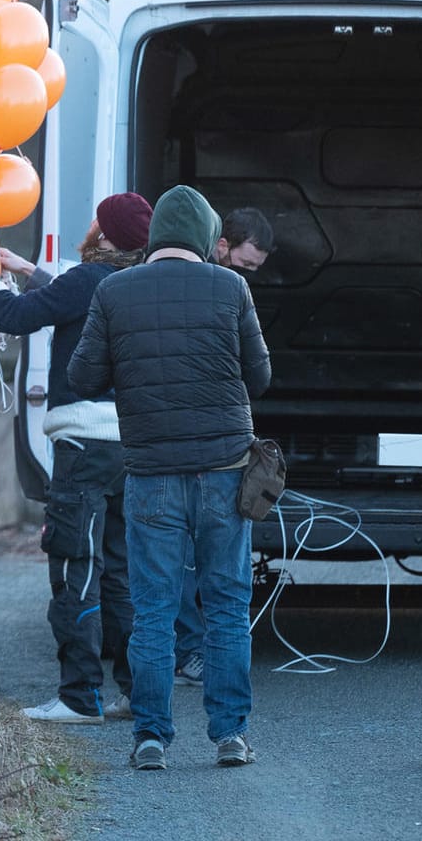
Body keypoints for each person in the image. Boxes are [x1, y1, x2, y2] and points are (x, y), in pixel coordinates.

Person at [68, 185, 272, 771]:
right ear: (209, 238)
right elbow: (258, 377)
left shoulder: (113, 290)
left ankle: (151, 738)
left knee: (153, 608)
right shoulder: (231, 287)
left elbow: (83, 378)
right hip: (224, 472)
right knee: (227, 606)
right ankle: (230, 734)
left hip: (151, 471)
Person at [0, 192, 153, 724]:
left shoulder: (87, 281)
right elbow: (72, 295)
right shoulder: (134, 283)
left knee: (73, 565)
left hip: (82, 447)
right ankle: (134, 694)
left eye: (98, 220)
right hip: (131, 450)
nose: (90, 225)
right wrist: (29, 269)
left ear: (107, 234)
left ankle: (79, 698)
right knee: (120, 573)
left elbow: (13, 315)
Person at [174, 204, 277, 686]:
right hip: (216, 448)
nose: (247, 278)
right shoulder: (227, 291)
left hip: (165, 447)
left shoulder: (153, 285)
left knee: (173, 565)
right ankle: (210, 671)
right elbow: (258, 374)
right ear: (220, 247)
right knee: (217, 573)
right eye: (244, 265)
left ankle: (178, 667)